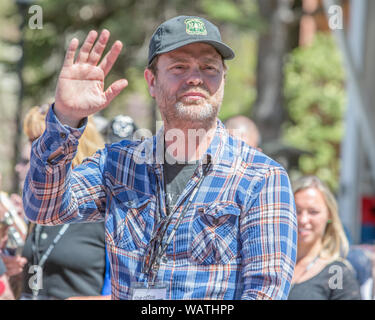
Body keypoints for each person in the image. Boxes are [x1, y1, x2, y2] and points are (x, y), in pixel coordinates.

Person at [23, 15, 297, 300]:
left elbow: (266, 293)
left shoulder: (262, 178)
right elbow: (43, 208)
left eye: (209, 67)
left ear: (223, 81)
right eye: (179, 67)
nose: (195, 77)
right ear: (151, 82)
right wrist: (66, 118)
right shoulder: (118, 165)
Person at [19, 105, 111, 300]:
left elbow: (136, 291)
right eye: (31, 141)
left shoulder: (102, 205)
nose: (31, 150)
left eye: (39, 141)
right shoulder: (37, 207)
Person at [288, 175, 361, 300]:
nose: (303, 220)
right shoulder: (271, 265)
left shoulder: (336, 273)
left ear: (329, 216)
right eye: (296, 210)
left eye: (313, 212)